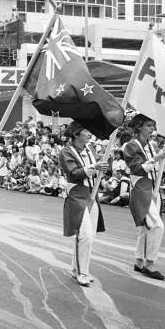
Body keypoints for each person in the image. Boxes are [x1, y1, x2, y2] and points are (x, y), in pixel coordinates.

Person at [59, 120, 108, 286]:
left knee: (88, 236)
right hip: (77, 194)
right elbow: (73, 173)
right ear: (76, 134)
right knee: (85, 235)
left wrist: (102, 169)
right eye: (86, 131)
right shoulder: (66, 152)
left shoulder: (90, 149)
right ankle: (82, 272)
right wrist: (95, 166)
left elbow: (95, 171)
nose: (90, 134)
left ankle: (76, 268)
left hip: (92, 194)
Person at [123, 113, 165, 280]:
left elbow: (163, 170)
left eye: (153, 126)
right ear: (139, 127)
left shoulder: (153, 145)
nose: (152, 129)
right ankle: (150, 264)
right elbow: (137, 169)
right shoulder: (130, 146)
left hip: (154, 190)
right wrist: (157, 157)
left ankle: (139, 261)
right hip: (141, 189)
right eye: (149, 125)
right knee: (157, 226)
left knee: (145, 228)